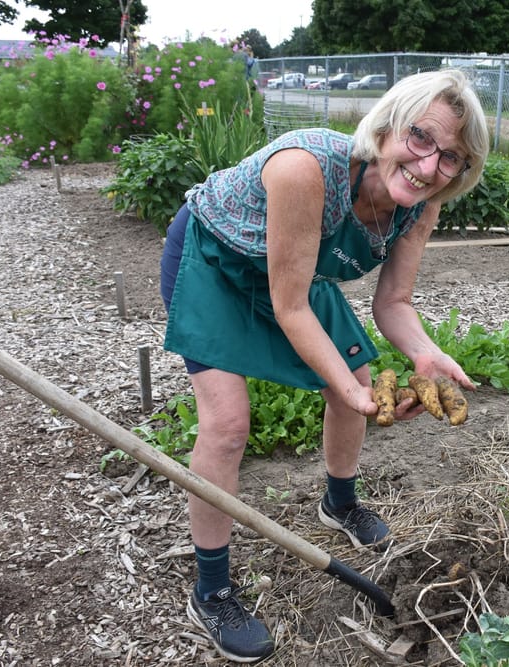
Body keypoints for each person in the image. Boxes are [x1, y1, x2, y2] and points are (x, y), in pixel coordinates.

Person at [159, 68, 489, 663]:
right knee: (228, 424)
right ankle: (211, 590)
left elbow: (393, 303)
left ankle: (338, 503)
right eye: (421, 138)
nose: (429, 165)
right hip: (216, 257)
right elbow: (290, 306)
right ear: (387, 126)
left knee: (357, 382)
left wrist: (422, 350)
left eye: (453, 159)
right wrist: (349, 387)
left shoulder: (419, 208)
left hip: (291, 267)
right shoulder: (306, 168)